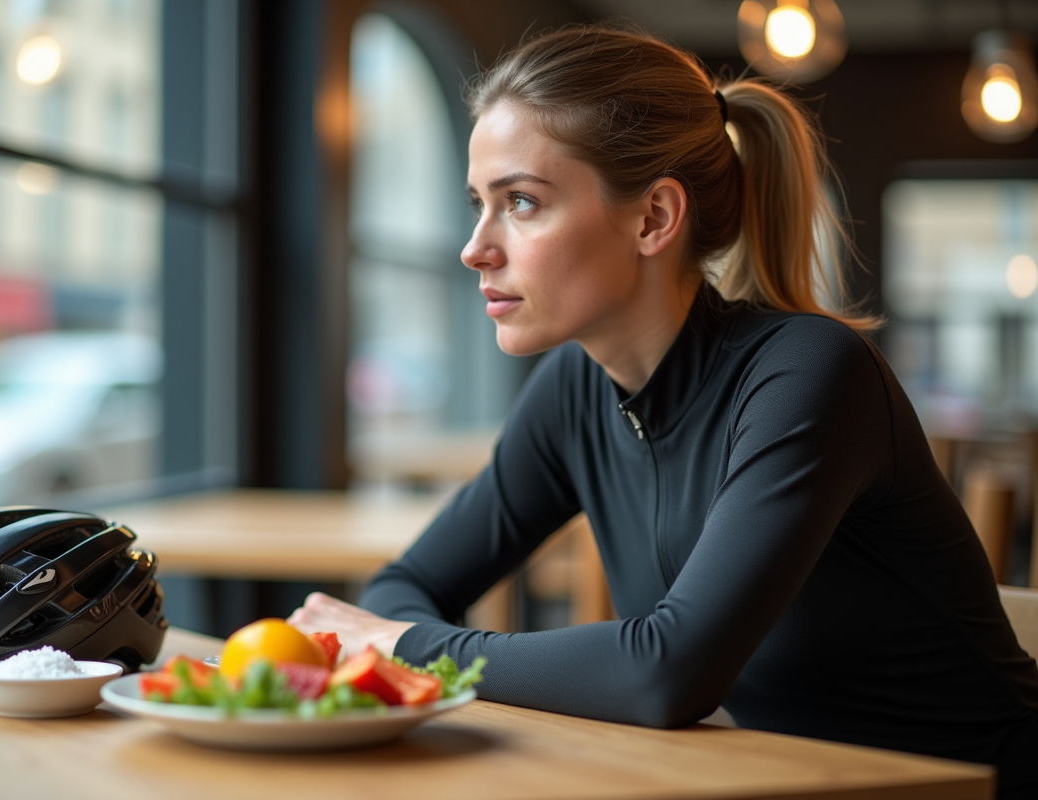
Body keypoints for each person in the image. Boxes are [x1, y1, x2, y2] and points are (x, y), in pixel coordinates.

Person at [288, 24, 1038, 798]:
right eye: (478, 204)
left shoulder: (807, 373)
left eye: (520, 202)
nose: (475, 247)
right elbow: (401, 586)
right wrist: (397, 634)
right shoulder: (575, 388)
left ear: (653, 219)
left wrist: (403, 646)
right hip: (788, 781)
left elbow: (667, 672)